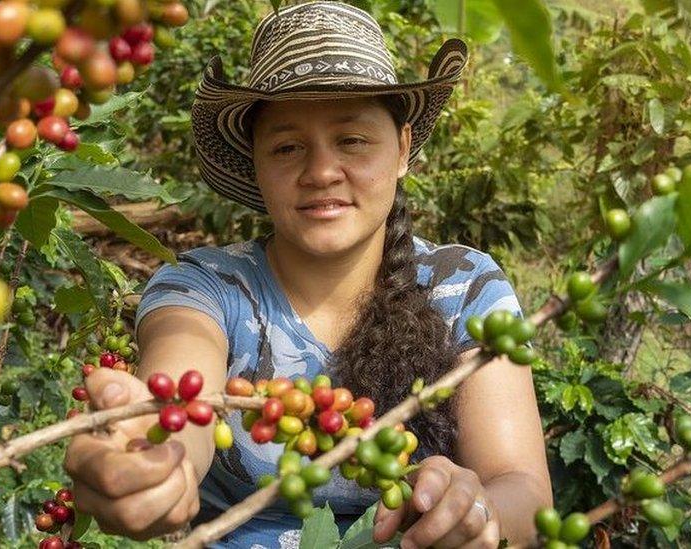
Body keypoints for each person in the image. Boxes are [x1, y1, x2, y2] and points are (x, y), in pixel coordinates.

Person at [64, 2, 552, 547]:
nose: (321, 172)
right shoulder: (205, 287)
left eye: (352, 140)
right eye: (288, 147)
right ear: (256, 164)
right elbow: (183, 394)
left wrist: (479, 512)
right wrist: (157, 458)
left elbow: (524, 493)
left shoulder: (464, 288)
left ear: (403, 150)